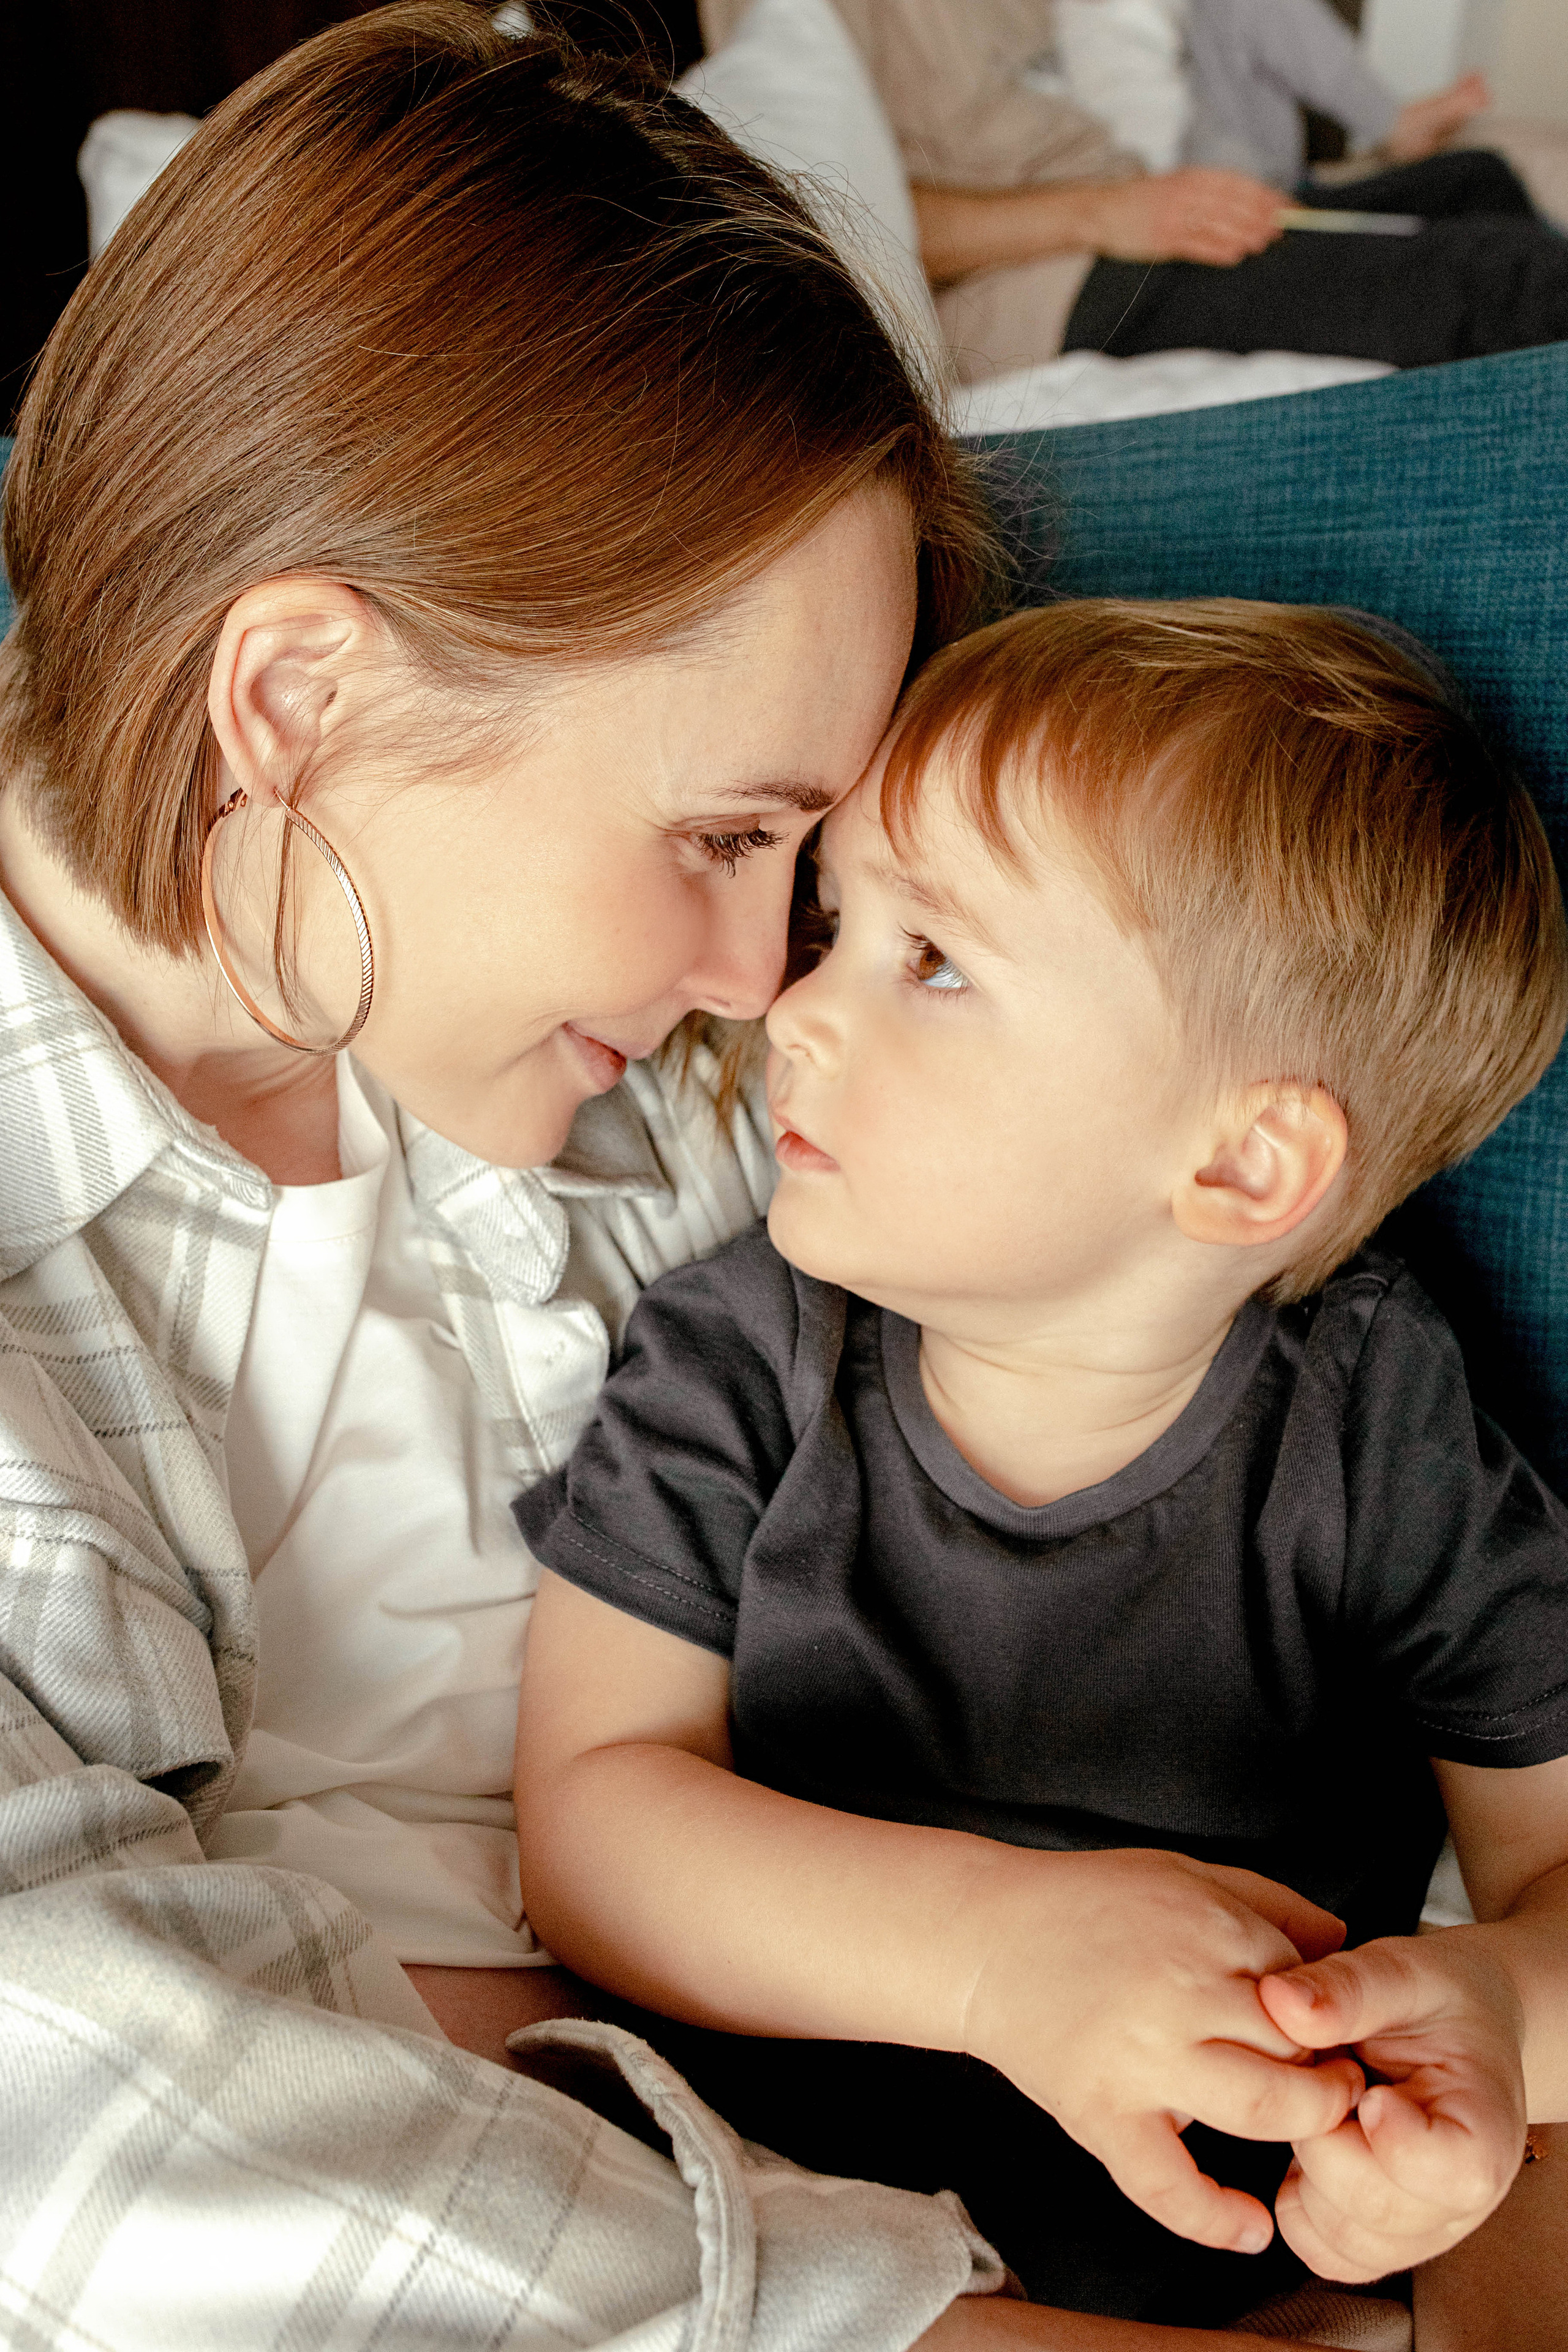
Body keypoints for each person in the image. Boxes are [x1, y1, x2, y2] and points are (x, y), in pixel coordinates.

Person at [0, 4, 1103, 2343]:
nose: (752, 970)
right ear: (294, 698)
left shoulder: (633, 1082)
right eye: (719, 836)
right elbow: (74, 2124)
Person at [513, 601, 1568, 2329]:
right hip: (782, 2232)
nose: (795, 1010)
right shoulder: (740, 1351)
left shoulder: (1375, 1416)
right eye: (840, 924)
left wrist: (1497, 2016)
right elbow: (594, 1821)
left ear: (1239, 1167)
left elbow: (1554, 1871)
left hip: (1245, 2242)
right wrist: (1004, 1960)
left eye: (933, 963)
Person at [693, 0, 1568, 380]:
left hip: (1142, 200)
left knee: (1480, 177)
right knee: (1496, 282)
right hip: (1041, 270)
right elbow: (819, 215)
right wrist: (1107, 213)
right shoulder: (799, 20)